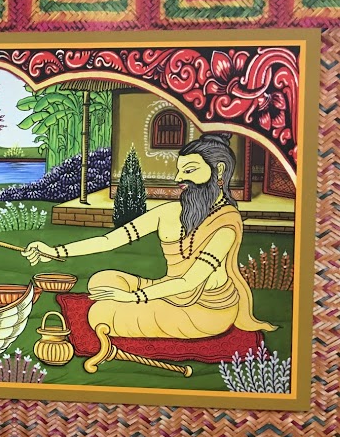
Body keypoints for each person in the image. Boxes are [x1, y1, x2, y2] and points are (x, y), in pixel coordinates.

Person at [23, 133, 277, 340]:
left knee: (100, 313)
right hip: (169, 291)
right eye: (179, 171)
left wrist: (131, 298)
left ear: (219, 170)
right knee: (101, 281)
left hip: (205, 310)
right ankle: (138, 307)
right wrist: (54, 251)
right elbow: (111, 240)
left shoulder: (225, 225)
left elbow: (189, 281)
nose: (179, 179)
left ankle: (134, 309)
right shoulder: (170, 212)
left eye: (189, 170)